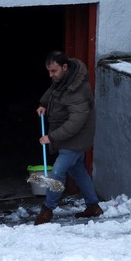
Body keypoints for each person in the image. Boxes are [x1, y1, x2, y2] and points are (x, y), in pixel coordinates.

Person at [34, 51, 103, 225]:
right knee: (77, 170)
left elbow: (75, 123)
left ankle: (47, 209)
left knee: (57, 172)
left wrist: (52, 137)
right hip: (67, 136)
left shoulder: (78, 90)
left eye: (54, 71)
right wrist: (43, 104)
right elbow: (53, 92)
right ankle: (93, 206)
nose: (51, 75)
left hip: (76, 138)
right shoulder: (63, 79)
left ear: (65, 67)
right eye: (49, 71)